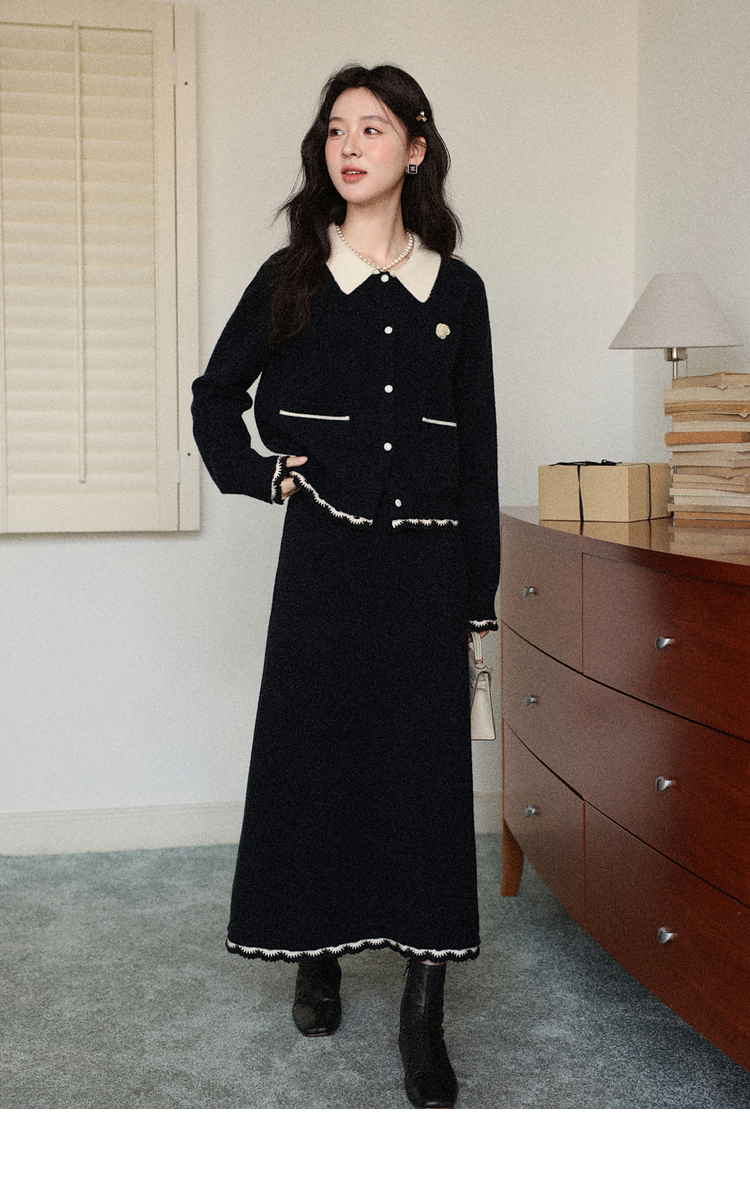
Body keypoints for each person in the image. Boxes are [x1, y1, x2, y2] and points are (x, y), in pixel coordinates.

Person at [191, 63, 499, 1109]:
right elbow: (216, 397)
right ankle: (314, 952)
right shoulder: (293, 277)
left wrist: (479, 599)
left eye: (372, 128)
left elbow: (478, 454)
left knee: (423, 780)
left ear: (416, 148)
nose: (349, 146)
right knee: (317, 758)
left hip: (426, 567)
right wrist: (262, 474)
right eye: (334, 130)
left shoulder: (458, 291)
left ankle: (424, 1012)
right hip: (323, 560)